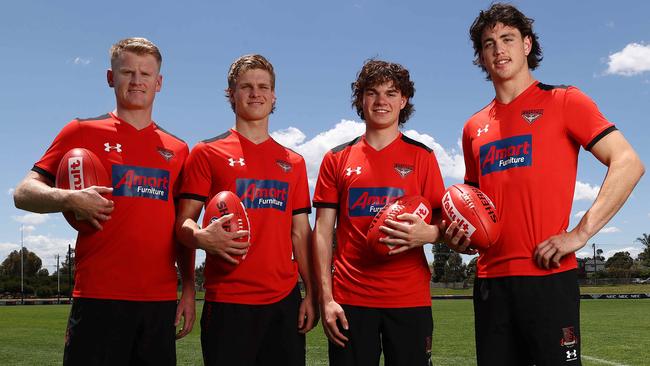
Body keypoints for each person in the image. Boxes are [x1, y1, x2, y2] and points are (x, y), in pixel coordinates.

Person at [448, 4, 645, 365]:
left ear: (526, 44)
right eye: (489, 43)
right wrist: (463, 238)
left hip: (548, 277)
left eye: (507, 38)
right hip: (491, 282)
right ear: (481, 56)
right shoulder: (473, 128)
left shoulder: (564, 101)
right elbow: (475, 204)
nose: (499, 49)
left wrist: (580, 233)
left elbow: (628, 162)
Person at [13, 37, 196, 365]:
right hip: (98, 297)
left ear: (160, 82)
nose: (137, 81)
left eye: (146, 73)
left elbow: (181, 225)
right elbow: (22, 193)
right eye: (127, 72)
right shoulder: (81, 131)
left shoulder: (179, 149)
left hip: (159, 301)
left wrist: (188, 291)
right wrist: (69, 198)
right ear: (111, 77)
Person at [175, 54, 317, 366]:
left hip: (284, 300)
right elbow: (183, 223)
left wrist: (311, 292)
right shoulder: (206, 152)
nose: (256, 93)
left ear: (274, 95)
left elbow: (300, 233)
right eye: (246, 87)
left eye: (263, 86)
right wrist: (201, 237)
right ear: (231, 93)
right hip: (228, 300)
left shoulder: (293, 162)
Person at [312, 59, 446, 366]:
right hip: (350, 300)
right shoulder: (336, 159)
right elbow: (322, 232)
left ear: (404, 100)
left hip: (409, 299)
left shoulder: (423, 157)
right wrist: (326, 298)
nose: (381, 100)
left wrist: (430, 233)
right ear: (361, 100)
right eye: (372, 92)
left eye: (391, 92)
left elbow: (442, 221)